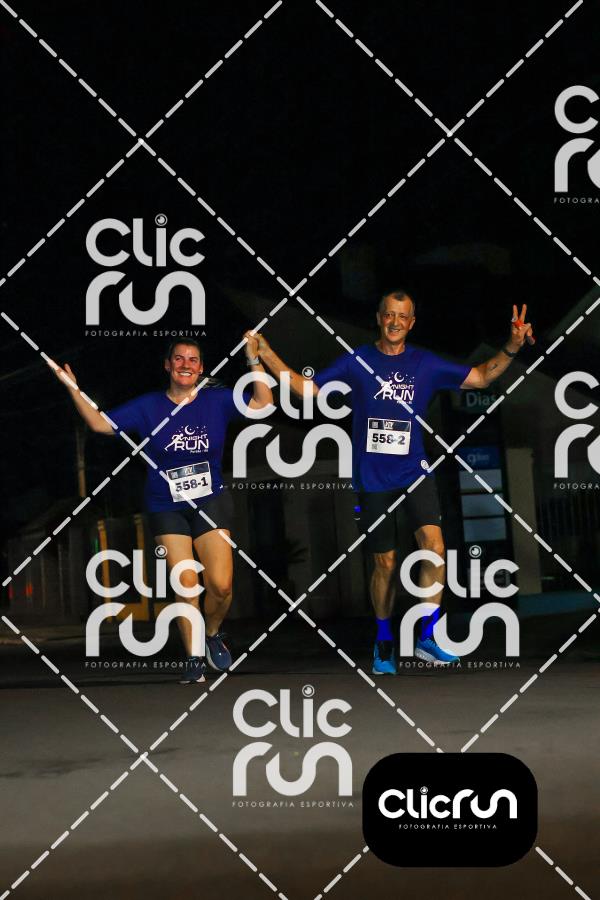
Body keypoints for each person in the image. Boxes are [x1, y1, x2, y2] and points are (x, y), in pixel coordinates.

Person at [256, 291, 534, 674]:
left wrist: (513, 345)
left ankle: (427, 636)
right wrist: (267, 352)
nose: (395, 322)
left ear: (411, 322)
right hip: (372, 476)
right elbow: (307, 390)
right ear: (378, 318)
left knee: (434, 547)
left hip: (414, 470)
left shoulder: (425, 363)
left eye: (402, 316)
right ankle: (384, 639)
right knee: (385, 563)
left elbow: (483, 375)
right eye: (389, 315)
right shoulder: (358, 361)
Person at [49, 334, 272, 683]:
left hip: (210, 500)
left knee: (221, 586)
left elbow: (262, 403)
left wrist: (254, 360)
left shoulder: (217, 400)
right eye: (179, 359)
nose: (186, 365)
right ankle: (194, 657)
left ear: (201, 368)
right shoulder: (148, 406)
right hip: (166, 504)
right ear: (168, 365)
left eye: (193, 360)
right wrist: (73, 388)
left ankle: (212, 632)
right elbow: (99, 423)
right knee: (186, 582)